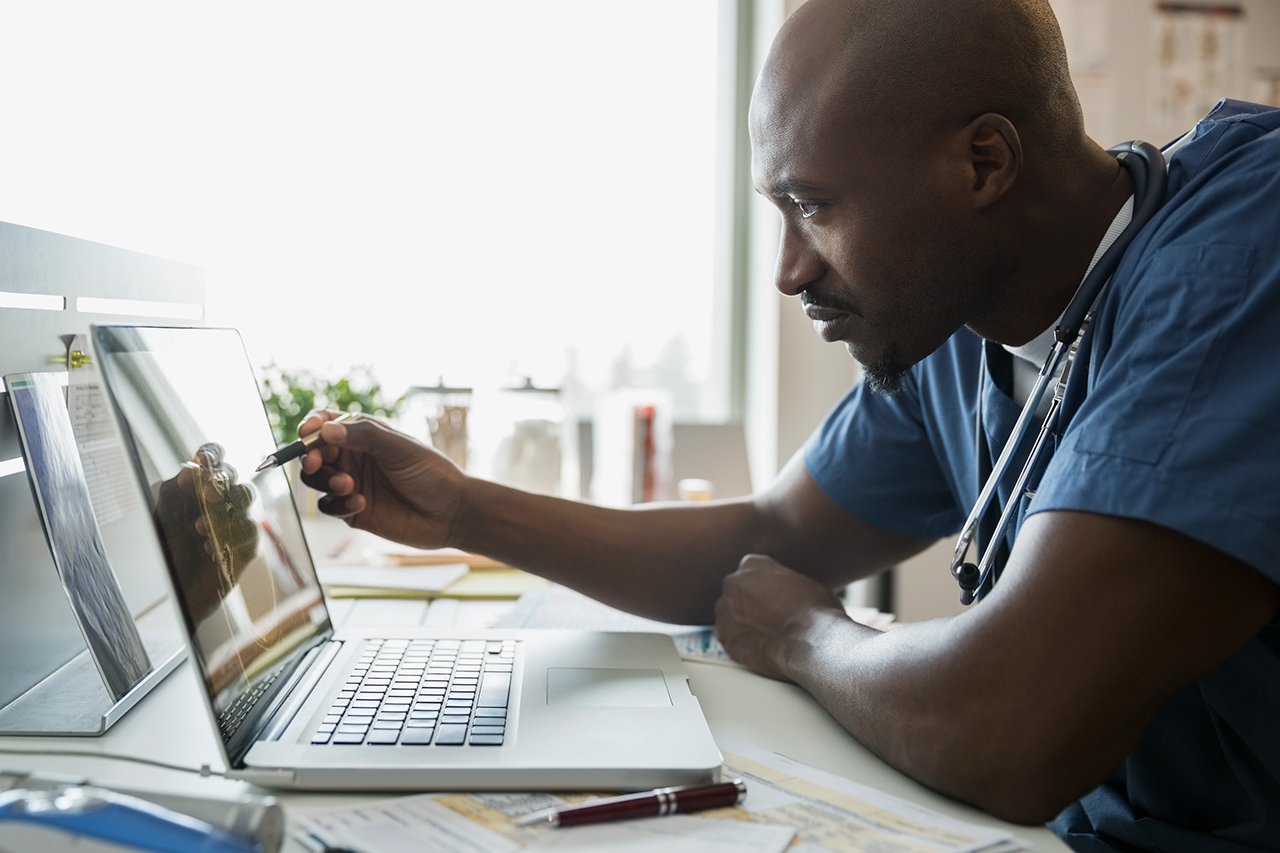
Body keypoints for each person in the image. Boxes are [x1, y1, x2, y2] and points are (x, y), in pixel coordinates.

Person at [297, 0, 1280, 850]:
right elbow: (770, 538)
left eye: (812, 207)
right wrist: (466, 510)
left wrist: (808, 636)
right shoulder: (955, 322)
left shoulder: (1241, 255)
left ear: (983, 162)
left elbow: (1005, 729)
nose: (788, 270)